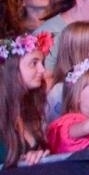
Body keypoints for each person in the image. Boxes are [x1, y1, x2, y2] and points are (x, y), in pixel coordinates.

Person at [0, 29, 52, 167]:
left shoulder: (30, 110)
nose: (42, 70)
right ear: (12, 69)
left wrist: (36, 157)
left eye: (42, 63)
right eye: (34, 63)